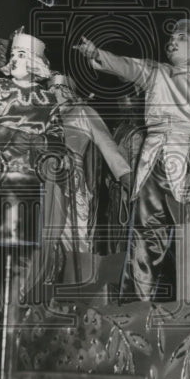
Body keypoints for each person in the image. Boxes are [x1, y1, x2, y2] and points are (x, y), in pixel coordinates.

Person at [78, 19, 190, 302]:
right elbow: (127, 66)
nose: (173, 41)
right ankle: (139, 303)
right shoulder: (158, 72)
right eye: (171, 37)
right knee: (147, 228)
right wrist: (98, 54)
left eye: (181, 37)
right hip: (162, 155)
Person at [0, 30, 66, 314]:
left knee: (22, 247)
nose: (14, 60)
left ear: (36, 62)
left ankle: (11, 304)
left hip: (30, 178)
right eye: (12, 55)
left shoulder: (48, 100)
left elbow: (58, 138)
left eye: (21, 55)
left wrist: (41, 143)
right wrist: (11, 137)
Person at [48, 73, 132, 274]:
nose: (50, 93)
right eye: (49, 89)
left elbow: (106, 142)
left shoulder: (82, 111)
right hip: (43, 179)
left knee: (71, 234)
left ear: (67, 91)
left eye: (56, 89)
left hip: (70, 179)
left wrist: (124, 175)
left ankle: (78, 288)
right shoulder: (41, 117)